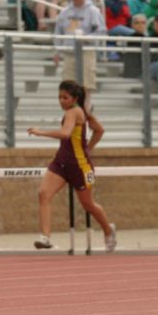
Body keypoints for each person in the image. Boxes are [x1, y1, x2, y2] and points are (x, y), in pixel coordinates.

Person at [27, 80, 116, 252]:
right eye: (59, 97)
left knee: (88, 204)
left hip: (80, 167)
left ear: (74, 98)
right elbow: (99, 130)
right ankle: (45, 238)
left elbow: (65, 134)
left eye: (65, 98)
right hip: (61, 163)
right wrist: (88, 148)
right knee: (44, 194)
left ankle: (108, 230)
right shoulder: (79, 111)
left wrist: (40, 132)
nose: (61, 101)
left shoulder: (74, 112)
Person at [54, 0, 106, 102]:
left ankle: (85, 112)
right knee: (68, 85)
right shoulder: (64, 13)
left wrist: (87, 37)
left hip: (86, 51)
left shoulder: (93, 11)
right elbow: (58, 33)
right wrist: (57, 51)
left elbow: (101, 31)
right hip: (69, 52)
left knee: (86, 85)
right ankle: (71, 113)